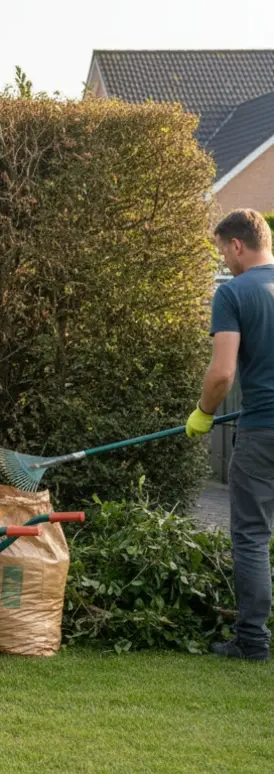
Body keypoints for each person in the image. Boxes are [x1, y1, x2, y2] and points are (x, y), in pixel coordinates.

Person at [187, 208, 274, 661]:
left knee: (252, 536)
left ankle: (253, 641)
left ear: (237, 244)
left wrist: (203, 413)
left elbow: (222, 374)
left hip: (263, 432)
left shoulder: (234, 293)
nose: (224, 259)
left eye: (223, 250)